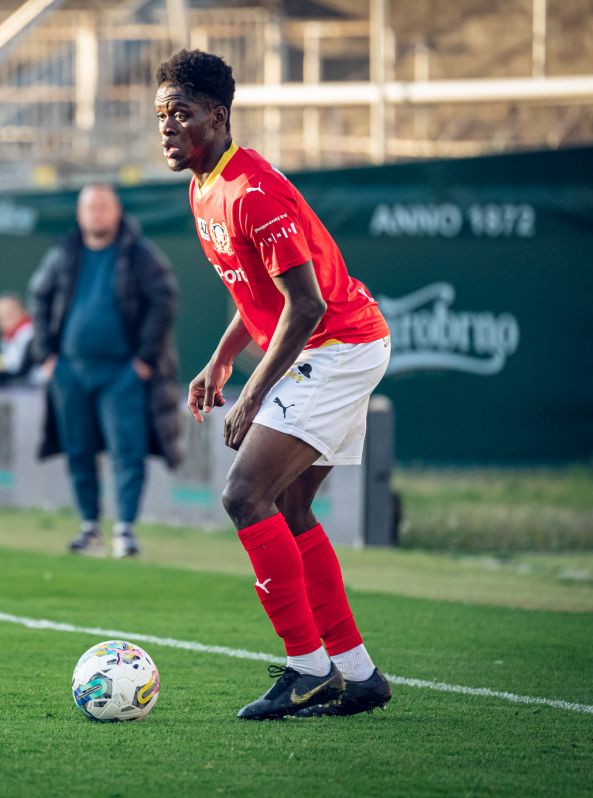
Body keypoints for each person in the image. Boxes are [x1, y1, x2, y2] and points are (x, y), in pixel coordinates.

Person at [154, 50, 393, 720]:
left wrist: (254, 394)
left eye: (181, 113)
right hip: (330, 344)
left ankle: (308, 669)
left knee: (244, 495)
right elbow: (257, 294)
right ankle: (357, 674)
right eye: (162, 115)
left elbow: (307, 305)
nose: (167, 127)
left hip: (337, 345)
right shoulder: (204, 186)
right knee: (287, 507)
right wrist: (221, 359)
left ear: (217, 116)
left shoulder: (253, 193)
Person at [29, 184, 180, 558]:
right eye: (90, 207)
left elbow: (164, 300)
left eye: (103, 206)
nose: (96, 214)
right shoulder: (64, 253)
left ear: (117, 212)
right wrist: (46, 355)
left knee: (127, 450)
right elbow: (39, 296)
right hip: (71, 371)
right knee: (78, 450)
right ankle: (89, 527)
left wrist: (144, 359)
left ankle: (125, 529)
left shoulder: (139, 254)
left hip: (122, 373)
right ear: (80, 214)